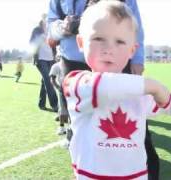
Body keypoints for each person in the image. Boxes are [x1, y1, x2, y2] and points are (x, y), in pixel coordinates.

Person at [63, 1, 171, 179]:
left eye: (119, 41)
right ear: (80, 42)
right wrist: (154, 86)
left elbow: (167, 104)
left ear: (132, 50)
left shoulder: (137, 89)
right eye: (98, 38)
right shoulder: (77, 83)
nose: (109, 49)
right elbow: (105, 86)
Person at [47, 1, 162, 179]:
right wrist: (64, 26)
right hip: (74, 62)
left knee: (137, 127)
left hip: (117, 60)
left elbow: (135, 24)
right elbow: (51, 26)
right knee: (82, 132)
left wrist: (137, 60)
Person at [30, 17, 58, 112]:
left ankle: (41, 104)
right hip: (41, 59)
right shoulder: (37, 30)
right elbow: (31, 42)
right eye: (44, 19)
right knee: (48, 80)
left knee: (45, 82)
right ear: (41, 21)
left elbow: (55, 44)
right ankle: (55, 105)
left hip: (50, 59)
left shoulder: (51, 31)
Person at [49, 60, 69, 135]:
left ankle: (71, 126)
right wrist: (58, 88)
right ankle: (61, 127)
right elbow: (52, 79)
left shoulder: (72, 63)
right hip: (62, 89)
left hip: (72, 88)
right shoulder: (56, 65)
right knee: (62, 109)